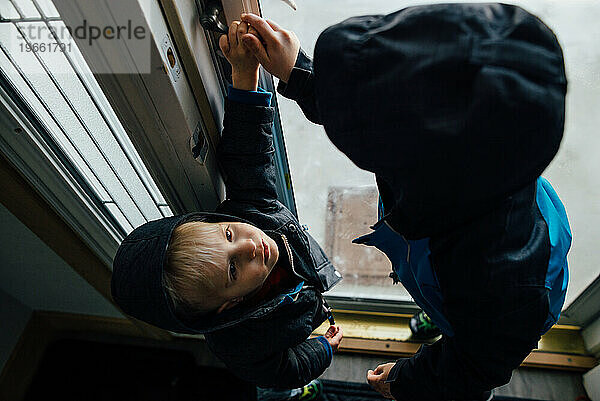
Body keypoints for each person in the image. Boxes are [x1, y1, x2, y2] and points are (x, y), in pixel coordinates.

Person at [239, 3, 571, 400]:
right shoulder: (465, 158)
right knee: (453, 300)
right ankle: (440, 317)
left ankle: (444, 322)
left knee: (464, 323)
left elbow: (478, 367)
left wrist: (409, 381)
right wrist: (302, 75)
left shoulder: (502, 281)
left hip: (495, 308)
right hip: (459, 258)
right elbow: (388, 98)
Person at [110, 20, 343, 398]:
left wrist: (244, 73)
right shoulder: (239, 343)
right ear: (227, 306)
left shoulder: (251, 213)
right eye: (233, 269)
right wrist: (321, 350)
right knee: (278, 391)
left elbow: (247, 154)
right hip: (293, 341)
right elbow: (283, 368)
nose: (249, 245)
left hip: (303, 305)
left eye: (228, 234)